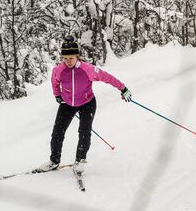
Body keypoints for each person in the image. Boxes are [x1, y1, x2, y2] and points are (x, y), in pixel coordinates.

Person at [38, 35, 132, 174]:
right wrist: (57, 95)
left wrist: (123, 88)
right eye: (65, 58)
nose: (68, 61)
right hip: (67, 103)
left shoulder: (88, 69)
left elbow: (107, 78)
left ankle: (80, 161)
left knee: (84, 132)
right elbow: (55, 83)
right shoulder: (58, 70)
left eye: (71, 58)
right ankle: (54, 161)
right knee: (57, 132)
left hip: (87, 102)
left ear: (77, 56)